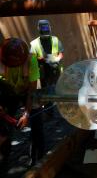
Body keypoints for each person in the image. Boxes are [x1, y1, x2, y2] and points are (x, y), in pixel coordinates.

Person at [0, 38, 44, 166]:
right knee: (3, 126)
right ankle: (4, 157)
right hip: (7, 92)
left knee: (37, 123)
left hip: (27, 91)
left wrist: (26, 114)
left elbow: (32, 91)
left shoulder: (32, 60)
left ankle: (38, 158)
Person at [30, 20, 64, 93]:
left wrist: (56, 59)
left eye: (46, 28)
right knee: (45, 90)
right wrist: (43, 59)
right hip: (42, 71)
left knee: (57, 89)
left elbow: (61, 54)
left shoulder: (56, 40)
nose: (45, 30)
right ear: (38, 29)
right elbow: (33, 57)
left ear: (50, 28)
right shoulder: (34, 43)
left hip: (55, 70)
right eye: (43, 28)